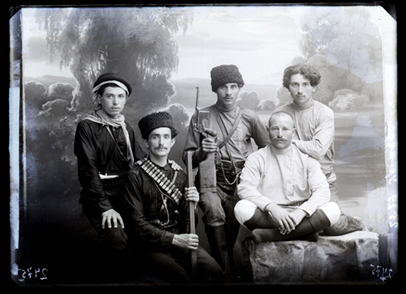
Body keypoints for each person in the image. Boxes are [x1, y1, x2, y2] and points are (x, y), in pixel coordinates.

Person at [183, 65, 271, 275]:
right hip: (210, 181)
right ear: (215, 89)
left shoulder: (249, 116)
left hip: (241, 183)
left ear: (239, 87)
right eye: (223, 87)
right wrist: (202, 151)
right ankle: (224, 274)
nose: (229, 92)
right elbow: (187, 157)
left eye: (233, 86)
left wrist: (255, 168)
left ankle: (223, 268)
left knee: (230, 228)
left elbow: (268, 149)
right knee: (213, 210)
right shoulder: (201, 117)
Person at [122, 112, 223, 284]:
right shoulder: (135, 176)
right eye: (155, 137)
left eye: (166, 137)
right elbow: (136, 225)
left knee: (214, 271)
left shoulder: (181, 175)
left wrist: (191, 203)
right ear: (146, 142)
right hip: (149, 246)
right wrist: (175, 239)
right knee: (179, 277)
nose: (161, 143)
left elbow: (188, 223)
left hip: (179, 241)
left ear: (172, 142)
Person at [274, 63, 365, 235]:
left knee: (332, 228)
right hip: (291, 185)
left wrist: (291, 142)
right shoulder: (280, 113)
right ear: (288, 87)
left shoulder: (324, 113)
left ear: (314, 87)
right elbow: (275, 149)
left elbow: (318, 150)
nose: (300, 90)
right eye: (295, 84)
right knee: (283, 223)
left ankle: (353, 222)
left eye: (305, 84)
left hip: (323, 182)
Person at [234, 112, 342, 243]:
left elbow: (323, 191)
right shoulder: (256, 158)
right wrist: (273, 208)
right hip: (271, 215)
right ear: (268, 130)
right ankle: (304, 232)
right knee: (241, 208)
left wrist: (301, 212)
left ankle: (272, 235)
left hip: (300, 215)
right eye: (275, 129)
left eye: (285, 129)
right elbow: (245, 189)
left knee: (333, 209)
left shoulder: (307, 159)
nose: (280, 134)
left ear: (293, 132)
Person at [74, 73, 145, 257]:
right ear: (99, 98)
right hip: (99, 194)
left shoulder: (125, 127)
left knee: (142, 233)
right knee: (117, 239)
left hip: (126, 192)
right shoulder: (87, 126)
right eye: (110, 96)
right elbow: (88, 170)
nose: (116, 102)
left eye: (121, 96)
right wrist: (106, 207)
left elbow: (140, 161)